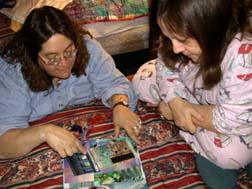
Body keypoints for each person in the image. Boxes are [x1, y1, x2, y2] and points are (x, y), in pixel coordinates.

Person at [133, 0, 252, 188]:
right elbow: (165, 66)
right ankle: (190, 125)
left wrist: (175, 111)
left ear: (213, 29)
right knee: (141, 81)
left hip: (234, 115)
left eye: (183, 40)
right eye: (168, 37)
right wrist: (175, 101)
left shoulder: (243, 55)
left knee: (231, 155)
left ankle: (189, 131)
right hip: (196, 94)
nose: (175, 48)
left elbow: (231, 118)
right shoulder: (179, 33)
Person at [0, 6, 142, 159]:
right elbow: (4, 143)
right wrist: (43, 132)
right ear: (33, 57)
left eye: (69, 51)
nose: (64, 63)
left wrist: (120, 104)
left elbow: (114, 82)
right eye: (52, 58)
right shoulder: (13, 72)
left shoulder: (87, 48)